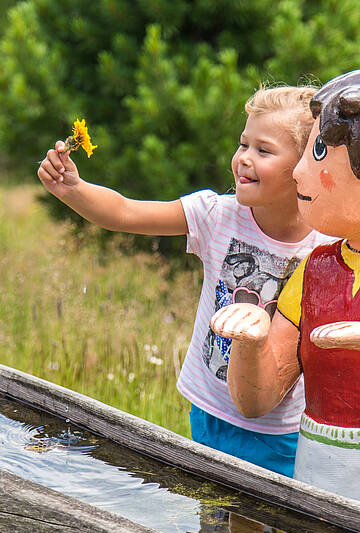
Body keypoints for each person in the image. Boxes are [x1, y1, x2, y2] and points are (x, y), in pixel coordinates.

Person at [37, 85, 334, 478]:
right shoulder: (217, 215)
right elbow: (126, 213)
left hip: (283, 428)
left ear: (302, 168)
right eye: (243, 144)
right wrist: (74, 189)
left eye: (263, 151)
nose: (244, 159)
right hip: (209, 410)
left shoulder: (327, 243)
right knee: (210, 516)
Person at [211, 70, 360, 499]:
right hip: (317, 472)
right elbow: (258, 401)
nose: (298, 172)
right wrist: (252, 342)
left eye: (318, 152)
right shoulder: (314, 269)